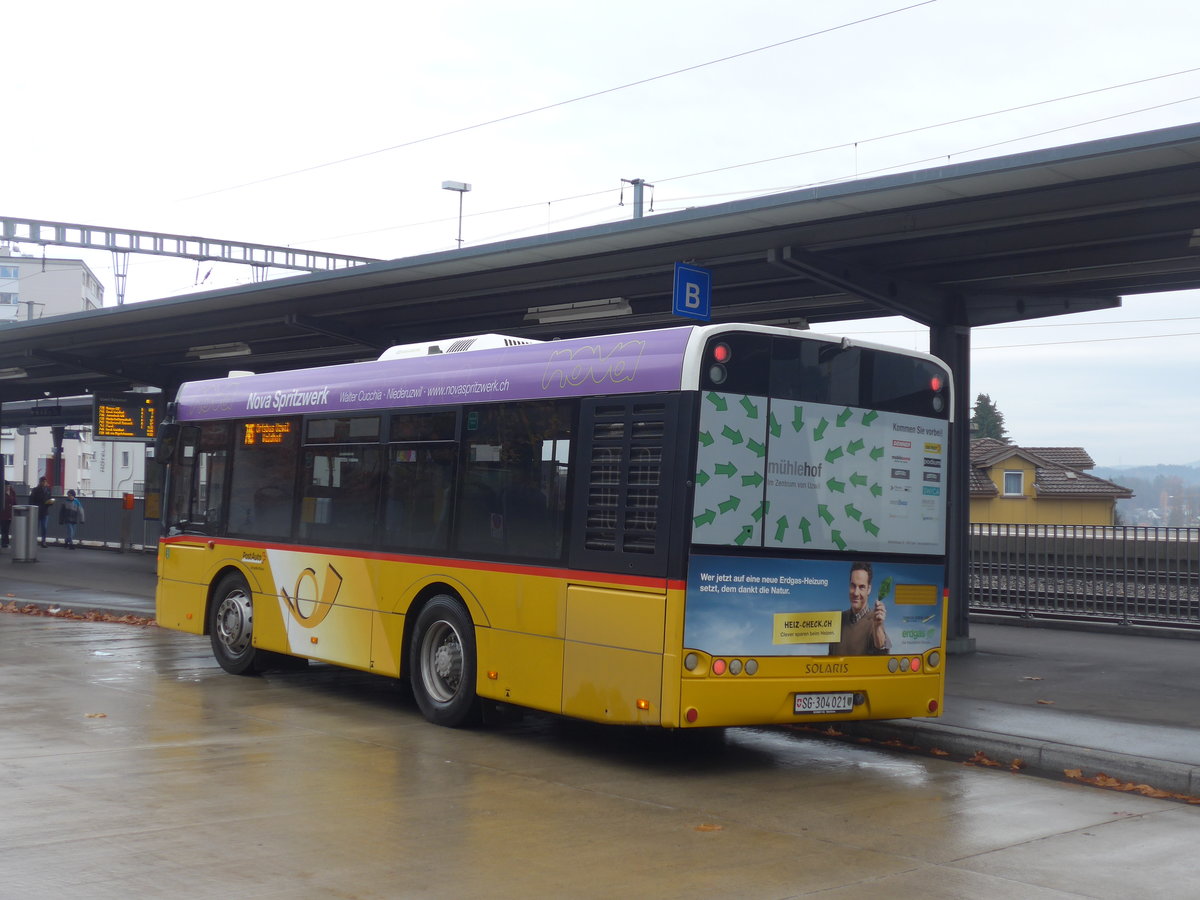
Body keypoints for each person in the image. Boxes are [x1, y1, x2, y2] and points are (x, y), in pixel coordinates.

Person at [828, 561, 890, 655]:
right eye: (853, 586)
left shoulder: (875, 622)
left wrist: (877, 627)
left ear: (869, 589)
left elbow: (882, 651)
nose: (856, 593)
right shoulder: (837, 621)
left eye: (861, 587)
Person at [30, 476, 54, 548]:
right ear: (40, 482)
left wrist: (50, 502)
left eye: (45, 482)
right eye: (43, 482)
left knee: (44, 527)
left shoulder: (48, 490)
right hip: (37, 511)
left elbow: (50, 498)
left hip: (45, 511)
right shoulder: (35, 490)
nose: (45, 483)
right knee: (36, 527)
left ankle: (43, 541)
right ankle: (34, 541)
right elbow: (31, 500)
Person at [0, 482, 15, 549]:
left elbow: (14, 501)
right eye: (6, 486)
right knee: (4, 529)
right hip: (3, 514)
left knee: (7, 529)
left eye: (8, 486)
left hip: (10, 513)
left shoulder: (12, 492)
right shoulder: (2, 493)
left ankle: (6, 542)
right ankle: (4, 543)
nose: (7, 488)